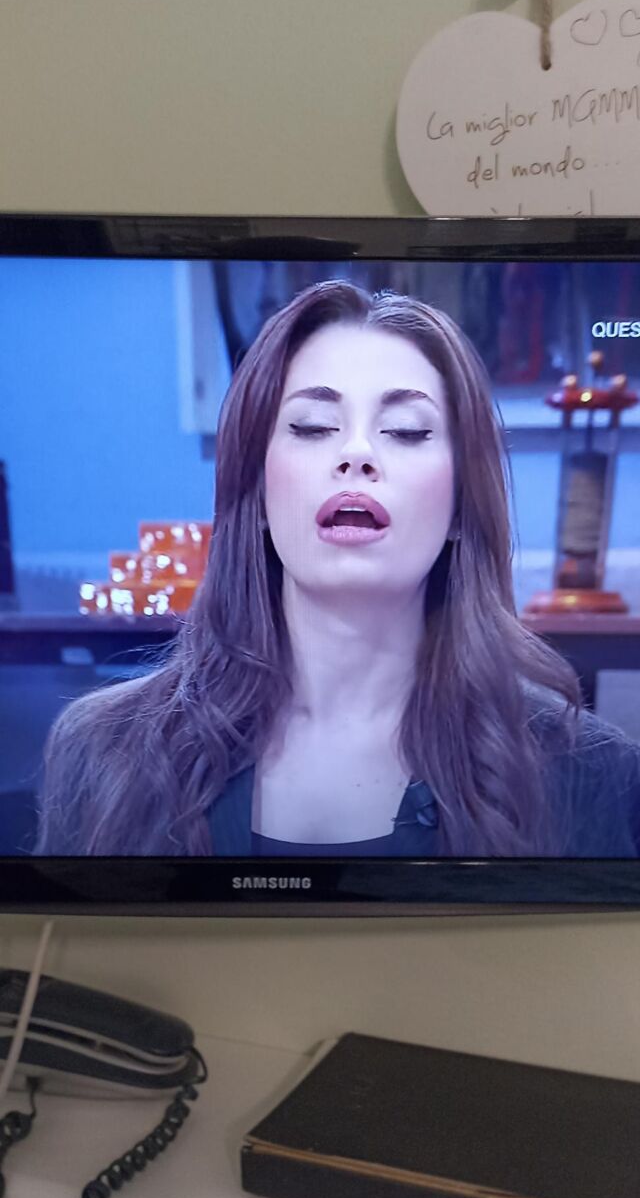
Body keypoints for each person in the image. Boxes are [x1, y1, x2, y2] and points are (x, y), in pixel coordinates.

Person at [35, 281, 640, 858]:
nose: (357, 454)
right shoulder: (104, 751)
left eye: (405, 431)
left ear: (462, 504)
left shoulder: (585, 770)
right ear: (257, 489)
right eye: (313, 427)